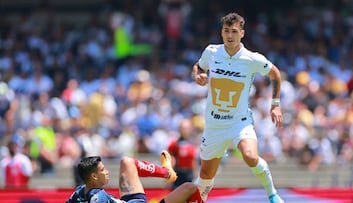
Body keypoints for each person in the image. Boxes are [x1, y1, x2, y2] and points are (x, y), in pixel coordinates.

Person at [192, 12, 285, 203]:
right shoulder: (211, 52)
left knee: (250, 156)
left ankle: (273, 195)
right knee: (206, 173)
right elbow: (199, 67)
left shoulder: (252, 59)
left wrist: (275, 105)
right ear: (221, 32)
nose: (229, 35)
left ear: (242, 33)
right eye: (226, 31)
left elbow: (275, 74)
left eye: (234, 31)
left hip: (239, 122)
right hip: (214, 125)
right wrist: (198, 75)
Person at [66, 150, 204, 203]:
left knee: (127, 162)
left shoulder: (79, 192)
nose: (107, 172)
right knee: (189, 187)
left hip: (131, 200)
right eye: (103, 170)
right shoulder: (97, 198)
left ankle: (167, 172)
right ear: (94, 176)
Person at [167, 118, 198, 189]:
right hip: (177, 174)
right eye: (183, 128)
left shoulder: (193, 144)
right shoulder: (174, 144)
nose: (184, 130)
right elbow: (170, 161)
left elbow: (194, 161)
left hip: (189, 175)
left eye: (186, 128)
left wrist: (195, 175)